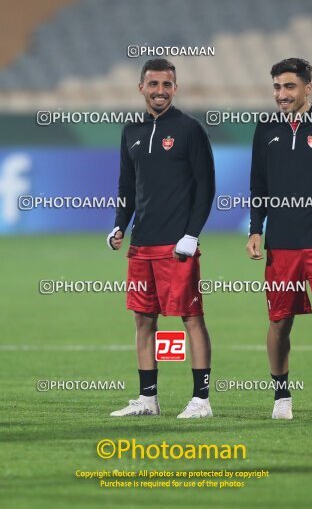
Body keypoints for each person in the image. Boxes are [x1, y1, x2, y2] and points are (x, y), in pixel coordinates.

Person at [107, 58, 215, 418]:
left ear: (175, 88)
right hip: (141, 245)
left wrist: (191, 234)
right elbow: (127, 185)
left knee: (191, 317)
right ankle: (148, 400)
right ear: (141, 88)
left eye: (167, 85)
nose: (160, 91)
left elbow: (206, 188)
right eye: (153, 84)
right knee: (143, 320)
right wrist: (120, 223)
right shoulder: (130, 131)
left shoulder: (189, 129)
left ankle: (201, 400)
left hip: (177, 247)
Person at [246, 57, 312, 422]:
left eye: (289, 87)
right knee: (280, 322)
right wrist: (256, 228)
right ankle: (281, 394)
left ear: (307, 88)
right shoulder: (265, 128)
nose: (281, 94)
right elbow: (258, 185)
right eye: (277, 87)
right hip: (282, 243)